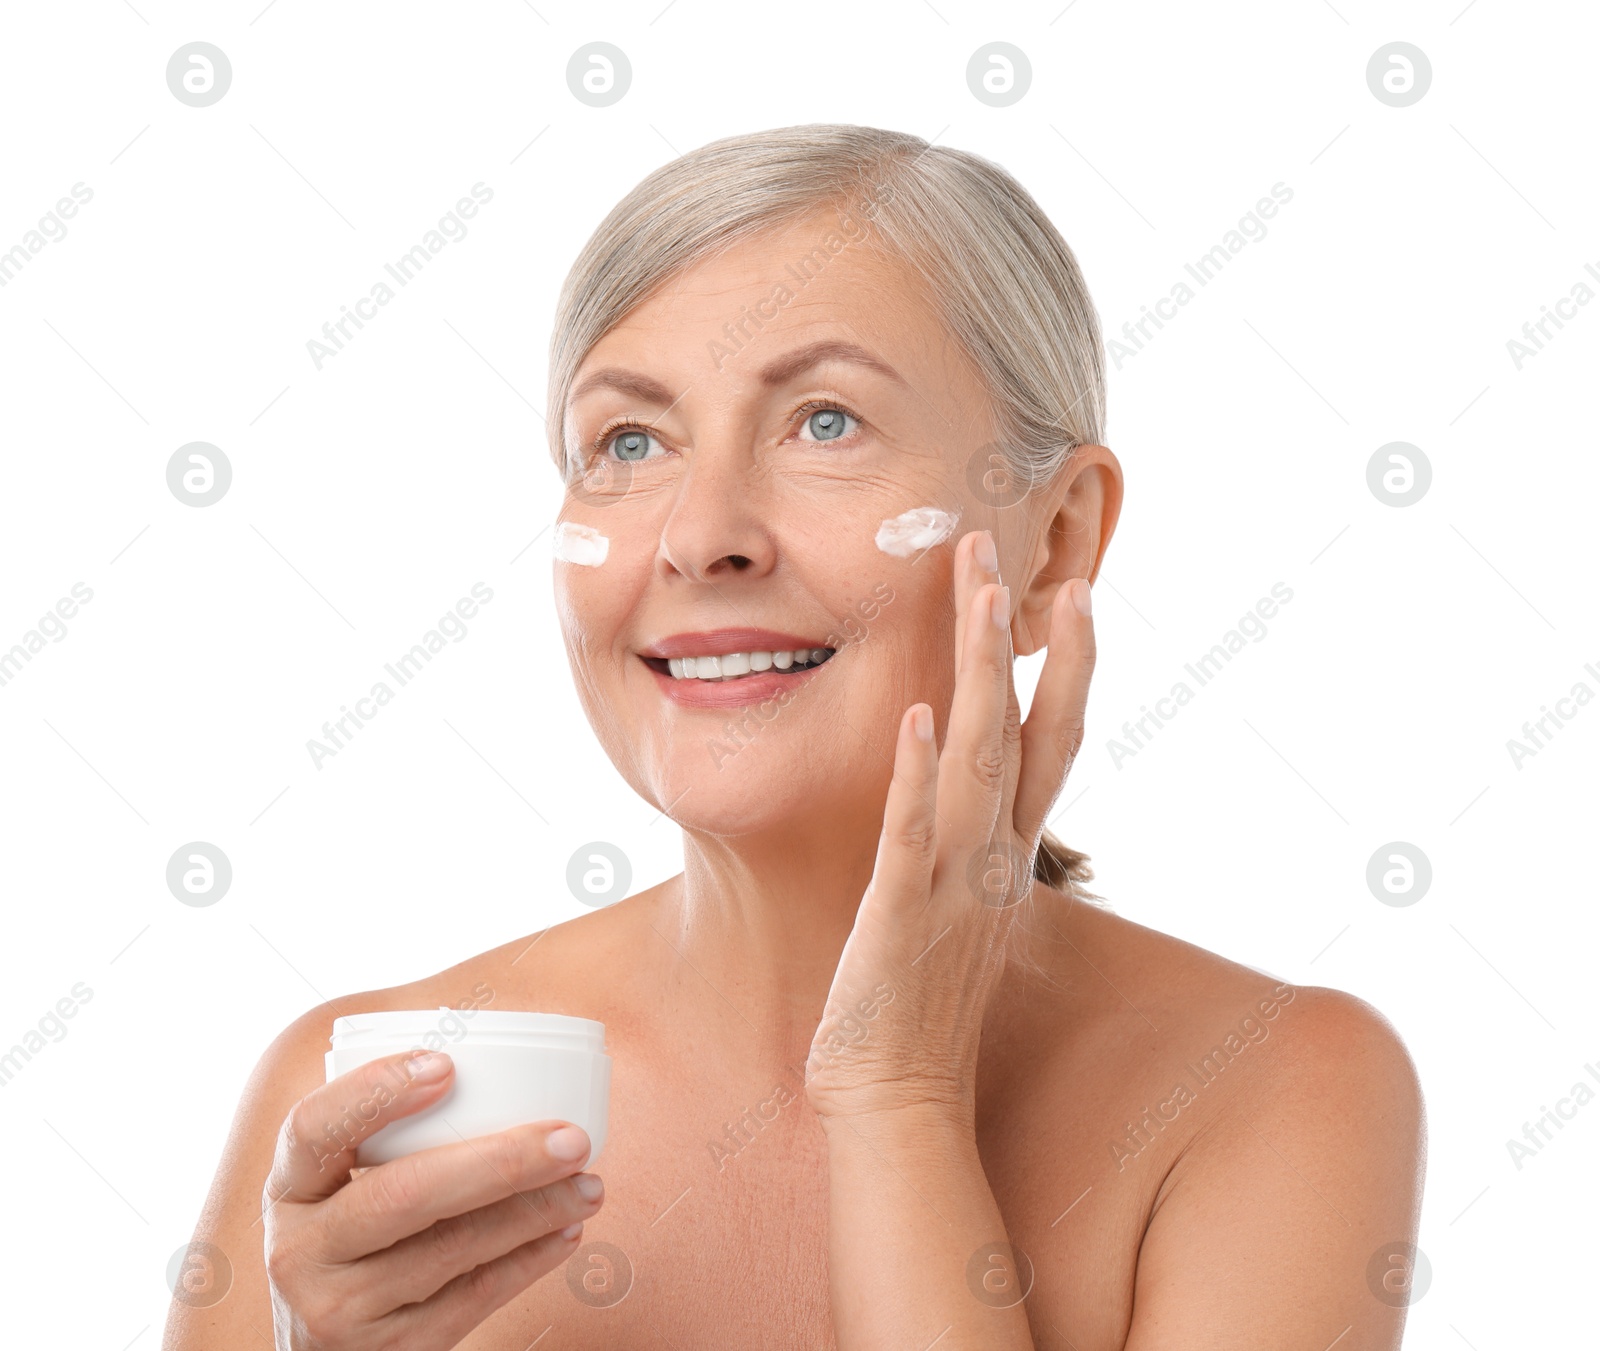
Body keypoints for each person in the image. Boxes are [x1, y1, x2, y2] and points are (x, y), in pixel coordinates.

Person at [164, 123, 1425, 1351]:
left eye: (824, 421)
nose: (700, 531)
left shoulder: (1278, 1089)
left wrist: (897, 1097)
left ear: (1055, 545)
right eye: (629, 440)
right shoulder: (361, 1104)